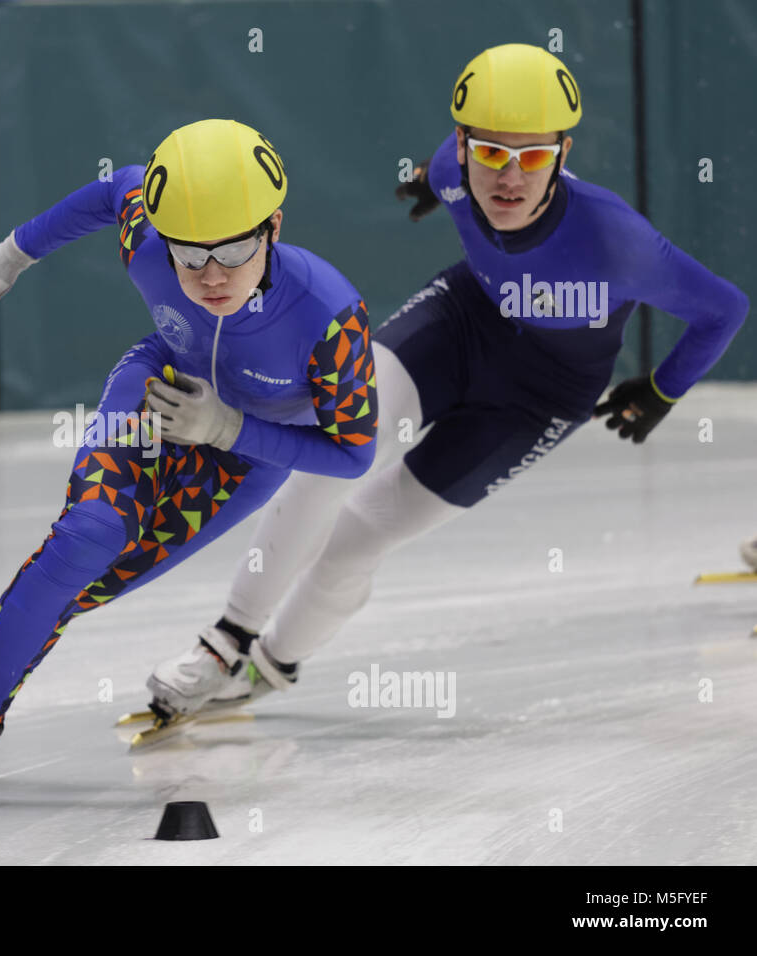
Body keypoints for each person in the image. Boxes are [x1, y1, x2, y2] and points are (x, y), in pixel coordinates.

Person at [145, 44, 750, 717]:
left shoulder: (618, 243)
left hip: (538, 399)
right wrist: (431, 185)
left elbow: (725, 307)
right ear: (461, 146)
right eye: (490, 153)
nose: (511, 179)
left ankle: (267, 667)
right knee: (336, 447)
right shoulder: (451, 170)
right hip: (463, 321)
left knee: (359, 539)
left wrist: (663, 389)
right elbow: (448, 169)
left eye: (534, 157)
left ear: (565, 153)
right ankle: (225, 642)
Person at [0, 119, 379, 784]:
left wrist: (229, 429)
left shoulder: (329, 317)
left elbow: (351, 455)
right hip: (157, 390)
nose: (210, 275)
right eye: (189, 254)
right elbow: (113, 190)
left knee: (74, 591)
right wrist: (8, 257)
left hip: (244, 461)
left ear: (274, 227)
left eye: (234, 250)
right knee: (86, 538)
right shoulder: (148, 236)